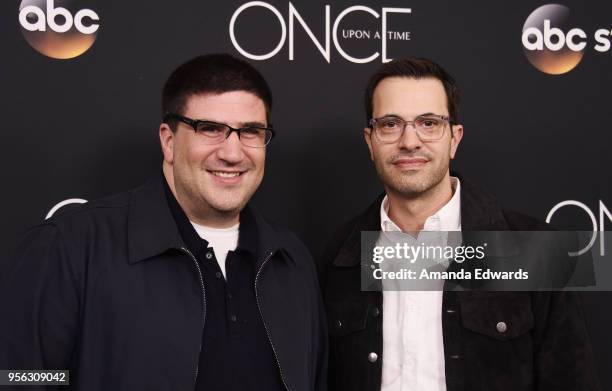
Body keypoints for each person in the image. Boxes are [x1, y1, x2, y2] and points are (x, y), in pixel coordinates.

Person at [0, 54, 327, 391]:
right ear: (169, 141)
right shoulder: (70, 245)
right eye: (210, 129)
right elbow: (19, 377)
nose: (232, 152)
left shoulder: (291, 259)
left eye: (251, 132)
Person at [321, 58, 600, 391]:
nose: (410, 141)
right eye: (390, 124)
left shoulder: (536, 250)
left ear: (454, 138)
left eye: (428, 123)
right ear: (370, 140)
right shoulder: (340, 255)